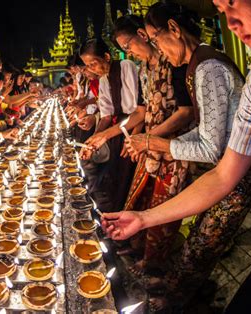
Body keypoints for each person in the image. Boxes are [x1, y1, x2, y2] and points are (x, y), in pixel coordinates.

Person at [102, 0, 251, 312]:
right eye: (223, 11)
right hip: (234, 175)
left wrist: (160, 144)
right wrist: (142, 219)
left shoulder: (209, 67)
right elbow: (223, 171)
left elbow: (210, 147)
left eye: (234, 4)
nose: (232, 22)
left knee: (204, 248)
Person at [86, 14, 195, 275]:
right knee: (138, 199)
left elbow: (186, 112)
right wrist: (106, 134)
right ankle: (137, 245)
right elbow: (140, 112)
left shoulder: (173, 63)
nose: (129, 52)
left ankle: (154, 263)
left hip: (172, 148)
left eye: (128, 46)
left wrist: (147, 139)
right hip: (149, 144)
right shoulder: (146, 69)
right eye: (124, 49)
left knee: (163, 208)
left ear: (144, 36)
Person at [78, 38, 138, 212]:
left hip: (133, 129)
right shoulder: (103, 80)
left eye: (93, 63)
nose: (91, 69)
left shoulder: (126, 66)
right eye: (87, 66)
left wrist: (133, 139)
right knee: (113, 177)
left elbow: (138, 111)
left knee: (127, 179)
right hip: (115, 132)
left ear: (106, 56)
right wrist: (92, 140)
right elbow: (105, 117)